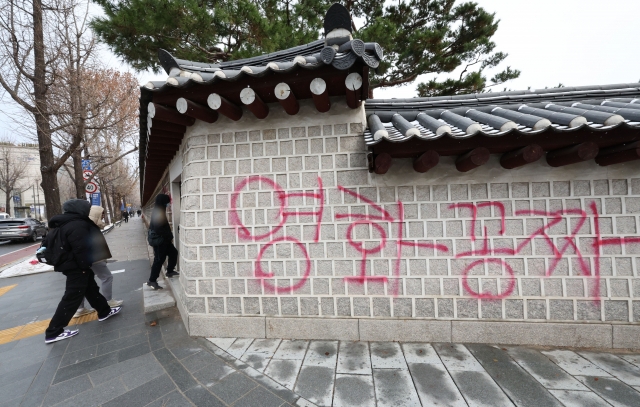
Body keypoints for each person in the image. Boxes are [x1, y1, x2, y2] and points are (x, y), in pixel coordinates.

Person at [44, 199, 122, 344]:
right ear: (79, 209)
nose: (88, 210)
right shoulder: (77, 224)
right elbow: (81, 248)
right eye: (86, 207)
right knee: (72, 297)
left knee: (91, 289)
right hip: (77, 267)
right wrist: (84, 267)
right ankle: (54, 331)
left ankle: (104, 311)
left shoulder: (65, 223)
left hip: (73, 265)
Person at [73, 205, 124, 317]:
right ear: (96, 214)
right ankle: (108, 301)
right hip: (94, 258)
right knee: (107, 277)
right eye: (102, 214)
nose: (103, 216)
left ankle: (80, 309)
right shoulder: (90, 226)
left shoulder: (83, 225)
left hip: (83, 260)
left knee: (84, 283)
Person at [147, 194, 179, 290]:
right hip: (160, 241)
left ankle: (169, 271)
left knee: (173, 253)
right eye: (167, 201)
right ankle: (152, 280)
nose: (169, 203)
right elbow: (158, 228)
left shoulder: (160, 210)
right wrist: (168, 236)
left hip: (165, 240)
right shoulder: (158, 212)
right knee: (159, 260)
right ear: (163, 201)